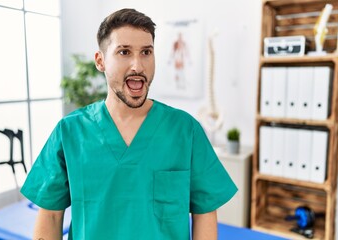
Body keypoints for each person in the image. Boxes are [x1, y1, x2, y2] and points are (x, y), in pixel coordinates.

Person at [21, 8, 237, 240]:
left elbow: (204, 212)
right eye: (124, 52)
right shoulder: (69, 132)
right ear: (100, 61)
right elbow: (51, 216)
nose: (138, 65)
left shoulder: (185, 130)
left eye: (146, 52)